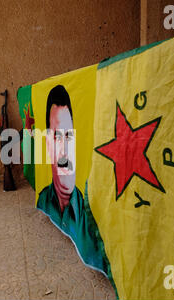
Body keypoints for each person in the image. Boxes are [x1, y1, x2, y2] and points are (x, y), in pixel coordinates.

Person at [37, 85, 103, 268]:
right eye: (57, 137)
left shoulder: (91, 223)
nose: (65, 150)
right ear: (48, 144)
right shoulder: (44, 200)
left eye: (69, 137)